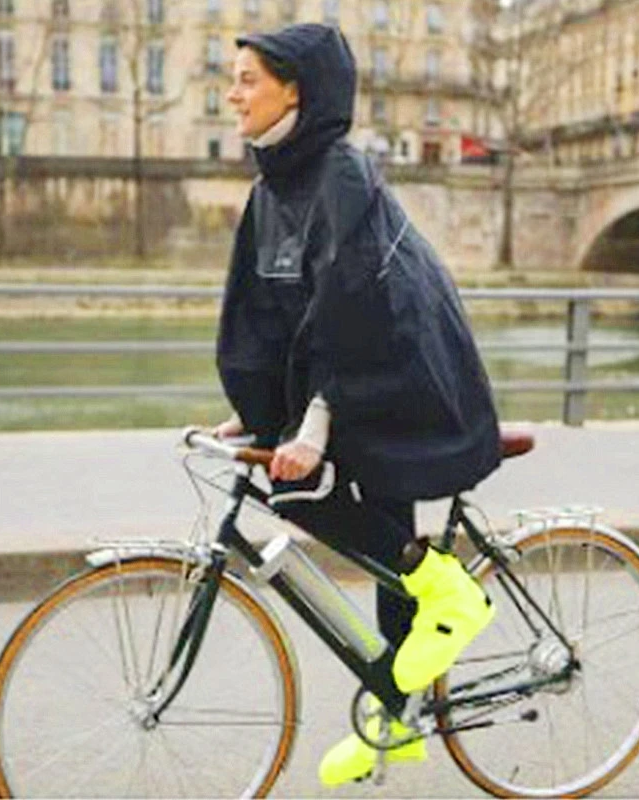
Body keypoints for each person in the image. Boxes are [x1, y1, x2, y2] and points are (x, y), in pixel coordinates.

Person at [215, 23, 501, 787]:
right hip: (356, 381)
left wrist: (309, 427)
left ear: (295, 90)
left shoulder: (342, 173)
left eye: (246, 78)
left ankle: (449, 591)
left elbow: (353, 305)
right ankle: (395, 727)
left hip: (409, 375)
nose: (232, 93)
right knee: (377, 544)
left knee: (299, 485)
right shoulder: (272, 185)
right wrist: (258, 407)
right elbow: (273, 309)